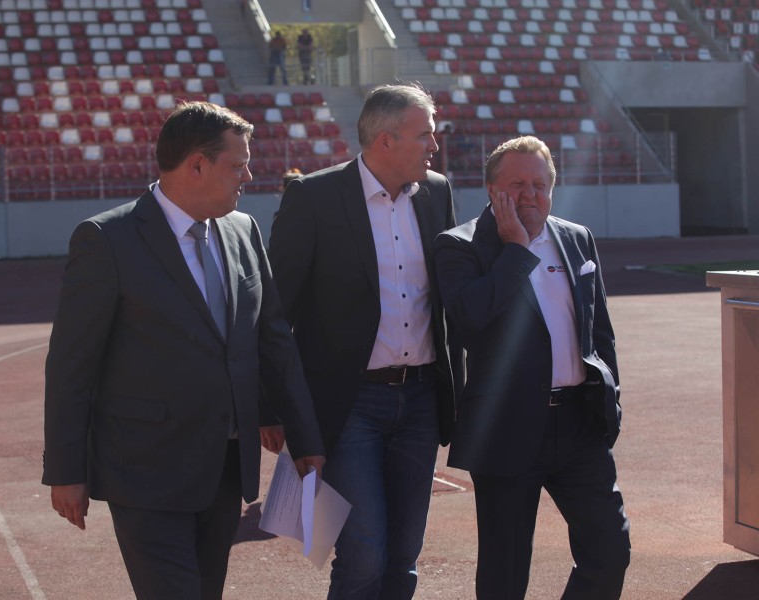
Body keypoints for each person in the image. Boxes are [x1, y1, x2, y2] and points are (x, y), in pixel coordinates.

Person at [42, 101, 325, 600]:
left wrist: (306, 440)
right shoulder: (107, 240)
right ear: (197, 164)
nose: (248, 175)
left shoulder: (243, 230)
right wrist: (66, 470)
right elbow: (71, 366)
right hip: (145, 472)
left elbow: (273, 340)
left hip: (224, 469)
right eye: (237, 165)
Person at [267, 83, 460, 600]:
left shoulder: (438, 193)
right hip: (351, 405)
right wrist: (272, 407)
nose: (434, 146)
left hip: (420, 401)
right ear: (386, 140)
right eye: (425, 135)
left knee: (403, 557)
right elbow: (273, 311)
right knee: (364, 555)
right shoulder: (314, 198)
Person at [433, 135, 630, 599]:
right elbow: (469, 320)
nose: (530, 194)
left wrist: (609, 399)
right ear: (490, 189)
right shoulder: (458, 246)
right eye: (516, 184)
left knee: (609, 551)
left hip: (579, 425)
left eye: (539, 184)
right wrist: (515, 251)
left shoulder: (575, 237)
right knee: (505, 571)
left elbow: (599, 330)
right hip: (506, 429)